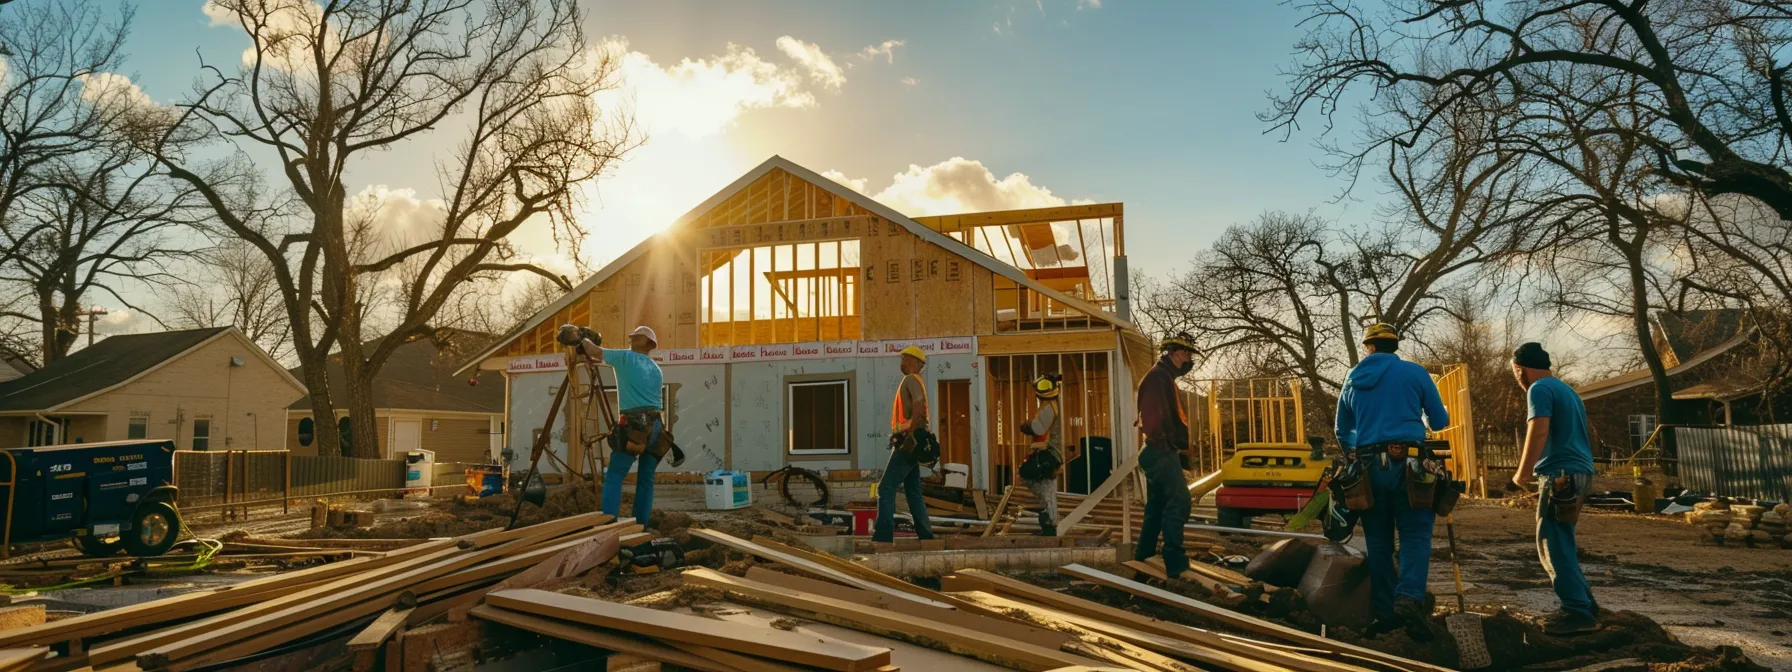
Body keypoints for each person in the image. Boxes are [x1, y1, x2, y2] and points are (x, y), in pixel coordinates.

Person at [1334, 323, 1450, 639]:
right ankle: (1409, 599)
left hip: (1370, 465)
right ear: (1395, 346)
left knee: (1379, 541)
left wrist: (1354, 454)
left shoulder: (1352, 379)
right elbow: (1440, 422)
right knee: (1414, 534)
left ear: (1368, 347)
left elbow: (1342, 431)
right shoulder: (1415, 374)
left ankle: (1386, 613)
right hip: (1413, 464)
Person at [1510, 342, 1601, 635]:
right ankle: (1586, 603)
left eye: (1515, 372)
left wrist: (1522, 474)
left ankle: (1576, 612)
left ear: (1520, 368)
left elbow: (1539, 429)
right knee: (1563, 539)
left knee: (1552, 543)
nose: (1516, 378)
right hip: (1579, 472)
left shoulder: (1539, 390)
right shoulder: (1567, 390)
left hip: (1560, 475)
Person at [578, 325, 664, 524]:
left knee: (615, 474)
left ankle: (608, 524)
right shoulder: (656, 369)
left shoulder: (626, 358)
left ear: (645, 342)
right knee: (646, 480)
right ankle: (640, 526)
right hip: (657, 429)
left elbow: (593, 351)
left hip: (635, 426)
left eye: (634, 337)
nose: (630, 339)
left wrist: (581, 337)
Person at [1133, 332, 1197, 577]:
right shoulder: (1159, 377)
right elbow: (1155, 417)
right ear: (1175, 353)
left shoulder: (1164, 377)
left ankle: (1143, 558)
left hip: (1158, 449)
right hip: (1159, 449)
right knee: (1180, 501)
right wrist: (1167, 444)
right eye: (1188, 353)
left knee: (1157, 508)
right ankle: (1175, 561)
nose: (1189, 359)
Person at [873, 345, 937, 543]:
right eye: (902, 359)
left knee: (885, 488)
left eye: (905, 358)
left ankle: (883, 537)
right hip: (913, 438)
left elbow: (919, 408)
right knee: (913, 491)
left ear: (915, 362)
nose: (902, 362)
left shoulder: (911, 379)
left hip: (909, 441)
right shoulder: (914, 381)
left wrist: (911, 437)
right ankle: (926, 537)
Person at [1018, 375, 1065, 536]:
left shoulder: (1050, 407)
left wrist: (1027, 426)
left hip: (1049, 453)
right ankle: (1049, 518)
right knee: (1047, 490)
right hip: (1050, 453)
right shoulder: (1050, 404)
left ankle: (1049, 519)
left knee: (1028, 475)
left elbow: (1038, 428)